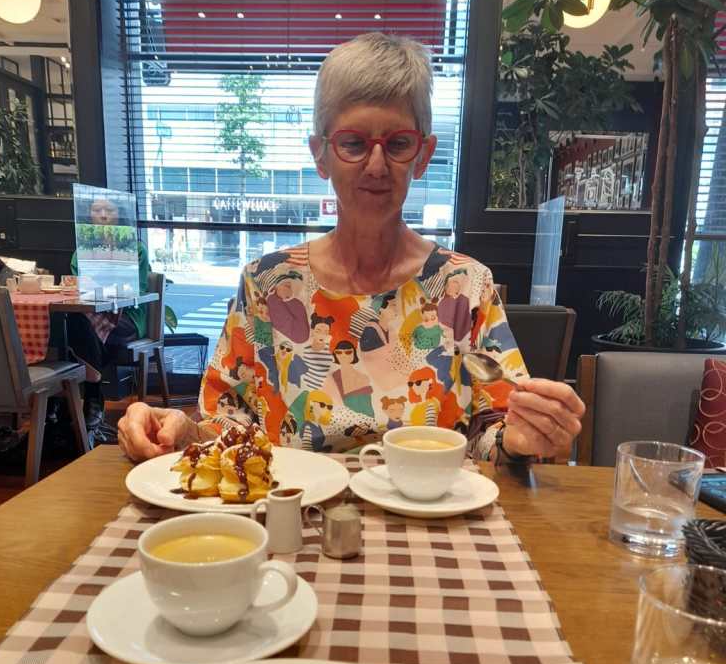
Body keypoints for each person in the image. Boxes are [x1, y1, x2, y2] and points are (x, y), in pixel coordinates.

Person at [118, 32, 584, 463]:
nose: (376, 165)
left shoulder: (465, 286)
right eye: (354, 143)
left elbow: (493, 431)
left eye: (398, 143)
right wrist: (178, 430)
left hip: (430, 517)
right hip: (296, 514)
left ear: (423, 155)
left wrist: (522, 438)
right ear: (320, 154)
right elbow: (228, 424)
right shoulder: (266, 284)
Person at [68, 195, 151, 438]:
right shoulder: (82, 250)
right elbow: (79, 285)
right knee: (76, 322)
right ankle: (80, 400)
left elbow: (138, 289)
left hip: (128, 316)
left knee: (79, 329)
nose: (103, 215)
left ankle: (91, 394)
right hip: (92, 313)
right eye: (97, 210)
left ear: (120, 214)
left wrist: (108, 288)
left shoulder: (135, 249)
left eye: (109, 210)